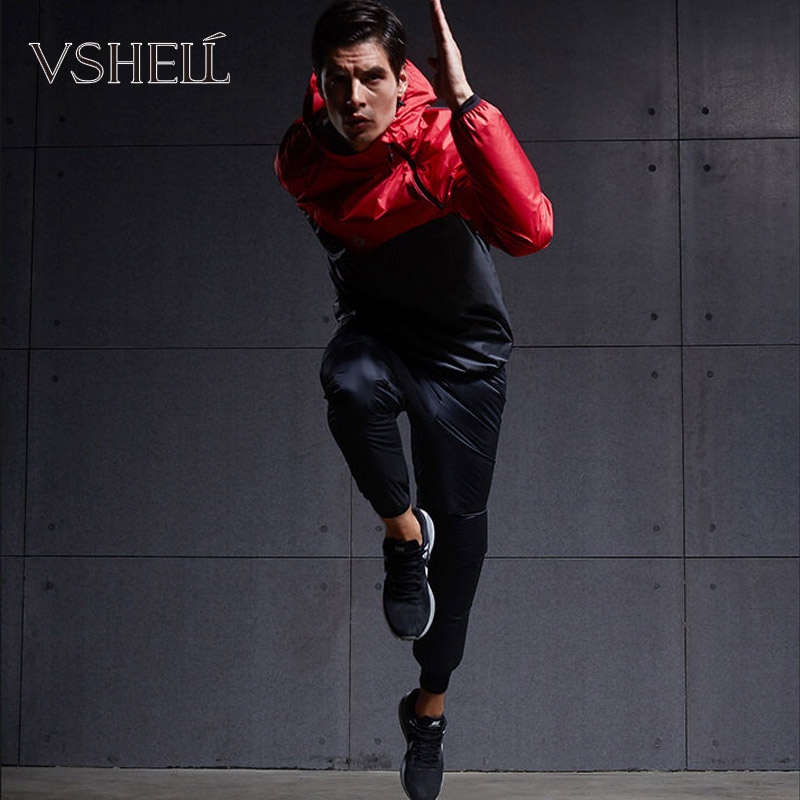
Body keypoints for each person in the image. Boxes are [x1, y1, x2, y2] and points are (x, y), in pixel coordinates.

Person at [275, 1, 552, 797]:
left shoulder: (438, 140)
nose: (354, 97)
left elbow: (530, 231)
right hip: (381, 335)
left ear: (402, 80)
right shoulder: (299, 157)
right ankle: (404, 538)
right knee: (349, 383)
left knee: (461, 554)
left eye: (372, 78)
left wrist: (468, 107)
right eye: (338, 80)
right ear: (319, 81)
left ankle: (427, 709)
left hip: (465, 355)